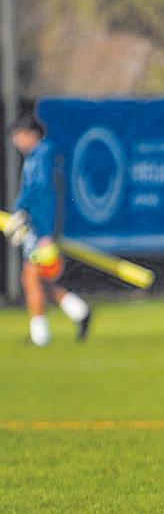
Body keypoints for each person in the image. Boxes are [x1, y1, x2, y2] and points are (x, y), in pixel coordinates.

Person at [3, 115, 92, 346]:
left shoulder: (43, 154)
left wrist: (43, 231)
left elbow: (44, 193)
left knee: (31, 277)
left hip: (43, 229)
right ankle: (79, 311)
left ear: (31, 134)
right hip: (38, 227)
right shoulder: (37, 156)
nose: (16, 143)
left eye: (19, 136)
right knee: (40, 281)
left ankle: (40, 335)